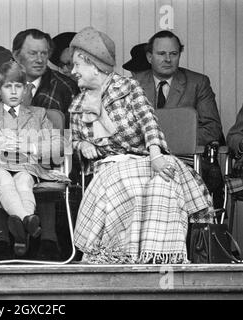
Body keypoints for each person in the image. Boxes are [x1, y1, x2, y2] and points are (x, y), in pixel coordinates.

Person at [69, 26, 213, 264]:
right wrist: (81, 144)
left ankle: (160, 260)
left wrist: (157, 155)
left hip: (144, 158)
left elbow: (149, 124)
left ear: (94, 65)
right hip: (109, 166)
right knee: (124, 183)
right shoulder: (77, 104)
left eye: (77, 65)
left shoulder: (129, 88)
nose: (73, 71)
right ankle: (120, 258)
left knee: (164, 181)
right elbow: (80, 140)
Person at [0, 61, 69, 260]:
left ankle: (22, 223)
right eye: (8, 86)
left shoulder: (38, 114)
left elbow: (60, 146)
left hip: (26, 162)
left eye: (18, 86)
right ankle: (27, 219)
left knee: (24, 179)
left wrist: (31, 147)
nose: (14, 91)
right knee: (2, 177)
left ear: (25, 88)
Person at [134, 30, 225, 209]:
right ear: (149, 56)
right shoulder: (133, 83)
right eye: (161, 54)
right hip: (144, 159)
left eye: (173, 54)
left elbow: (212, 128)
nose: (168, 59)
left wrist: (172, 143)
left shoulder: (198, 83)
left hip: (188, 160)